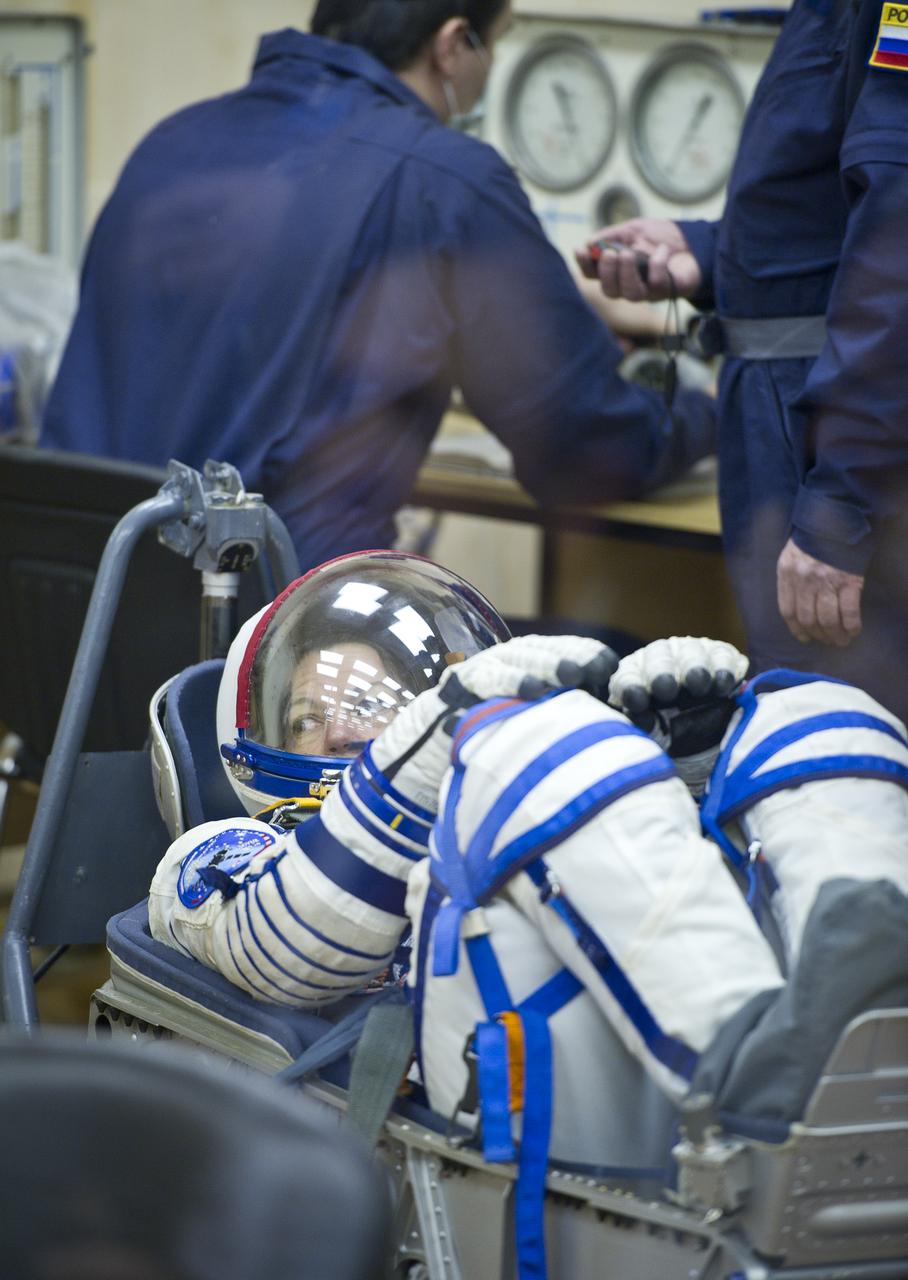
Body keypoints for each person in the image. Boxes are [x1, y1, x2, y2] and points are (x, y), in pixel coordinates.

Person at [149, 600, 908, 1280]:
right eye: (309, 716)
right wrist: (418, 759)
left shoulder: (491, 796)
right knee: (523, 749)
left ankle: (872, 1032)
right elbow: (278, 949)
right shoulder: (225, 849)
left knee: (805, 709)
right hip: (491, 1124)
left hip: (662, 1084)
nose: (342, 726)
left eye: (372, 704)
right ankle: (770, 1087)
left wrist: (686, 764)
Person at [40, 0, 714, 574]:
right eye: (496, 45)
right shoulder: (447, 180)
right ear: (453, 46)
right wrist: (712, 406)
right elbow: (584, 453)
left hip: (82, 638)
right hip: (287, 670)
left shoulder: (172, 141)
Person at [580, 0, 908, 724]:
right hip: (797, 425)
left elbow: (897, 253)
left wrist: (839, 504)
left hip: (839, 444)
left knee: (832, 746)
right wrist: (706, 252)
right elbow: (832, 217)